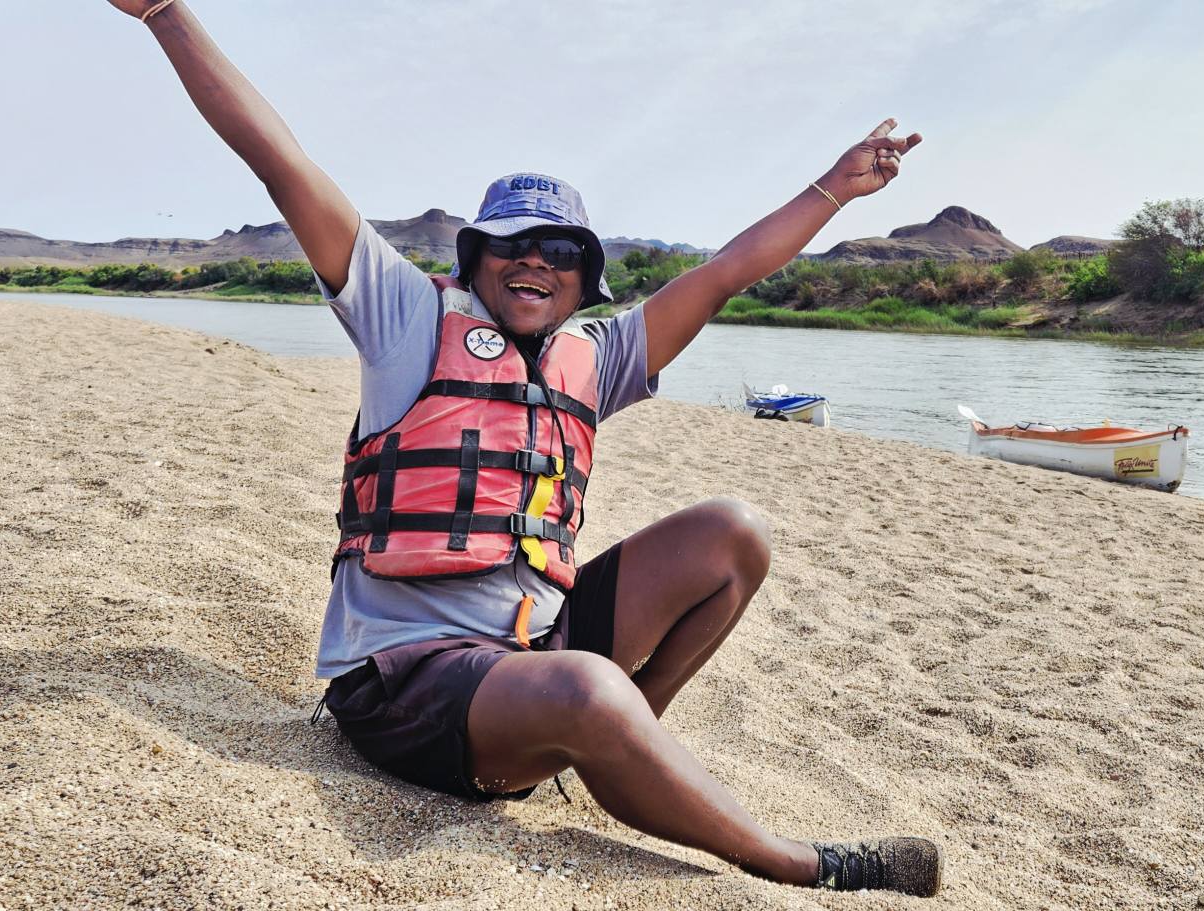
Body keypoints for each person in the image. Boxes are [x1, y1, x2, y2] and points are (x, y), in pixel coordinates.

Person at [108, 0, 940, 896]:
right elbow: (282, 163)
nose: (530, 260)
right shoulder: (406, 319)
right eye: (505, 245)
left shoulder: (602, 357)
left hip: (531, 657)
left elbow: (723, 271)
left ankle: (617, 751)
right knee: (584, 688)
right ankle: (796, 862)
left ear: (584, 277)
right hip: (406, 687)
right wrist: (164, 14)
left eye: (557, 249)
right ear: (472, 260)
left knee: (733, 532)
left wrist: (831, 190)